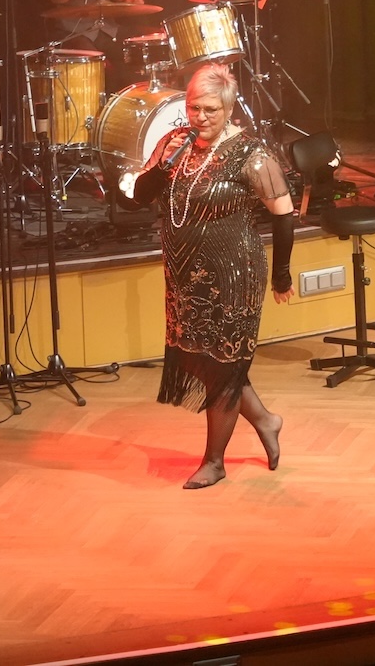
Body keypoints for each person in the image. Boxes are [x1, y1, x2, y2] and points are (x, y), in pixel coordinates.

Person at [119, 64, 294, 489]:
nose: (200, 117)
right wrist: (163, 166)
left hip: (234, 274)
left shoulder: (251, 154)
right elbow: (137, 197)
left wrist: (282, 275)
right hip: (184, 276)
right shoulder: (173, 143)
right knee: (198, 359)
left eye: (210, 109)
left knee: (223, 364)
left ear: (229, 109)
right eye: (194, 107)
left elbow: (284, 215)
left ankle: (214, 461)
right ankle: (266, 420)